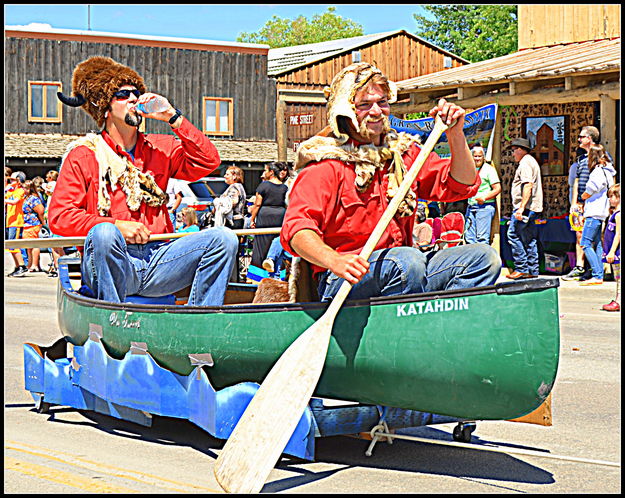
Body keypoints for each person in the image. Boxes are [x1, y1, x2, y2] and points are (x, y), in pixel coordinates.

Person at [280, 62, 499, 302]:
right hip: (343, 279)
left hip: (405, 269)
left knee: (483, 258)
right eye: (365, 105)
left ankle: (440, 327)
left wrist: (455, 133)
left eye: (382, 102)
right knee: (406, 262)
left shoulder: (404, 153)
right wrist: (334, 260)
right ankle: (401, 333)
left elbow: (462, 184)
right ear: (344, 111)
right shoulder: (325, 164)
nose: (377, 111)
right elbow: (297, 229)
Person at [48, 56, 238, 305]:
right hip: (113, 261)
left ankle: (200, 322)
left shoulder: (161, 147)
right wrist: (116, 225)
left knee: (224, 239)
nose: (133, 99)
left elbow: (208, 161)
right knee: (105, 233)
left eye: (136, 93)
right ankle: (111, 320)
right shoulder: (84, 154)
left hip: (159, 258)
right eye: (123, 94)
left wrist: (173, 116)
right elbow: (60, 217)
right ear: (105, 106)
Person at [562, 126, 600, 281]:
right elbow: (576, 182)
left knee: (593, 237)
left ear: (589, 138)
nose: (579, 139)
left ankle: (595, 269)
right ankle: (580, 266)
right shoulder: (581, 159)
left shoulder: (599, 157)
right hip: (580, 203)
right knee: (579, 233)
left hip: (594, 202)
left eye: (581, 136)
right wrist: (574, 203)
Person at [578, 144, 616, 286]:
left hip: (593, 211)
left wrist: (583, 197)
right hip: (602, 211)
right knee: (598, 243)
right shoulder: (608, 171)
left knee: (585, 243)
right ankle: (599, 273)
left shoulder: (597, 171)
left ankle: (597, 274)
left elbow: (592, 188)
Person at [506, 138, 543, 280]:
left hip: (526, 208)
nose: (513, 153)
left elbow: (528, 185)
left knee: (513, 234)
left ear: (520, 149)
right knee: (529, 238)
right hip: (532, 207)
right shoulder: (530, 161)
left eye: (514, 150)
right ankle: (532, 270)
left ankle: (521, 268)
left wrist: (521, 208)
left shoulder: (526, 163)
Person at [247, 162, 290, 282]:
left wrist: (252, 219)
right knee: (276, 242)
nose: (264, 173)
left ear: (271, 172)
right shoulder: (284, 188)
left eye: (266, 170)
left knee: (261, 245)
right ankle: (276, 274)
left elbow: (257, 204)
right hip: (280, 215)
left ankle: (258, 276)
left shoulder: (264, 186)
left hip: (265, 215)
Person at [464, 145, 501, 244]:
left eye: (479, 156)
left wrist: (484, 197)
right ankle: (473, 259)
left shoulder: (489, 169)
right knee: (469, 237)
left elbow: (497, 188)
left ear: (483, 157)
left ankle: (483, 259)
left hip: (484, 206)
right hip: (471, 206)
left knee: (482, 238)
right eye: (475, 156)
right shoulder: (468, 169)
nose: (477, 159)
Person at [5, 171, 29, 277]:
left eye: (13, 180)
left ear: (19, 180)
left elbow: (14, 202)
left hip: (16, 221)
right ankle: (17, 266)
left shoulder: (20, 191)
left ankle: (22, 266)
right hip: (10, 222)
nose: (11, 181)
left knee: (14, 245)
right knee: (11, 246)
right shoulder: (11, 191)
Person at [21, 180, 47, 272]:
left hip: (33, 224)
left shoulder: (33, 198)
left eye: (26, 188)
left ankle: (34, 265)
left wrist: (43, 223)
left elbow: (41, 210)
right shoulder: (25, 197)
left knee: (34, 245)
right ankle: (30, 264)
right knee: (28, 246)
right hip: (26, 224)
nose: (24, 190)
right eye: (23, 187)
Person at [602, 184, 620, 311]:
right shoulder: (614, 213)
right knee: (618, 277)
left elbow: (618, 234)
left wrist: (612, 251)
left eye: (612, 196)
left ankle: (618, 301)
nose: (610, 199)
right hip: (613, 251)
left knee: (619, 278)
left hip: (617, 252)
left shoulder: (618, 215)